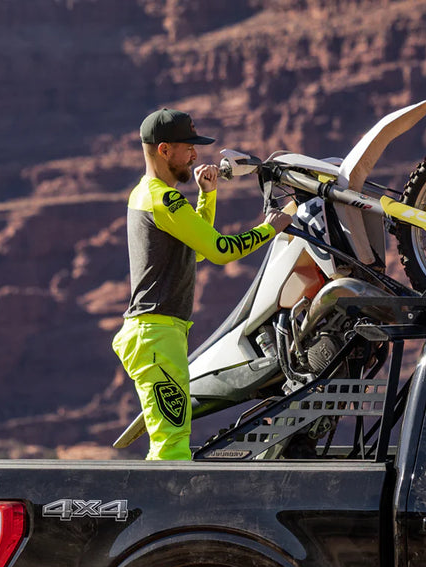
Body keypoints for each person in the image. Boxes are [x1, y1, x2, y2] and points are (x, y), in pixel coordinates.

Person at [112, 107, 292, 460]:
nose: (195, 154)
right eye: (188, 146)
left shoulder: (146, 194)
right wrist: (272, 227)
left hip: (159, 334)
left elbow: (196, 253)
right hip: (155, 336)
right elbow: (220, 250)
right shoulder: (163, 199)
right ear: (164, 150)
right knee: (172, 443)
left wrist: (207, 194)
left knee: (170, 439)